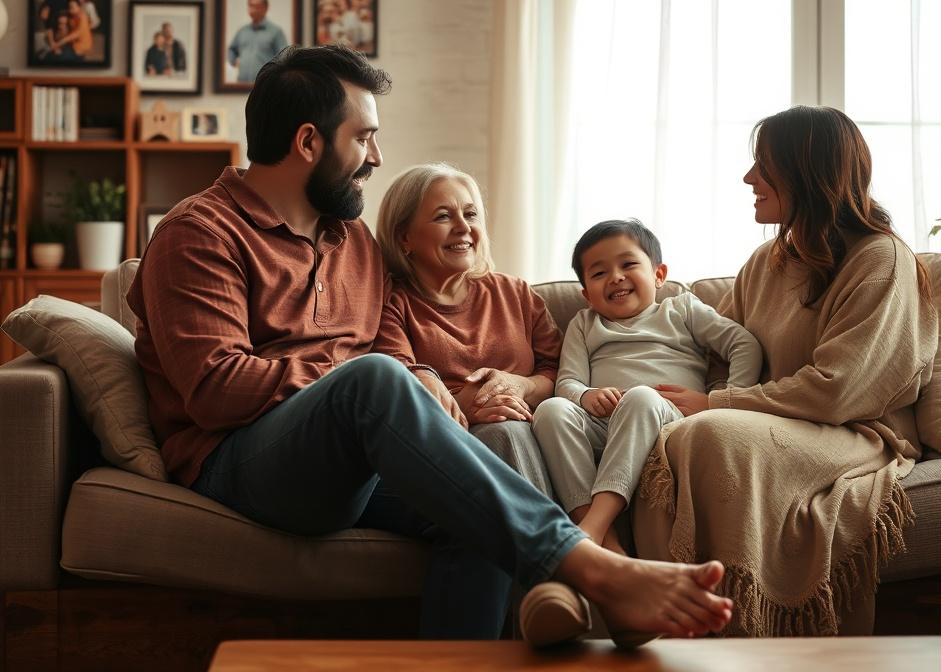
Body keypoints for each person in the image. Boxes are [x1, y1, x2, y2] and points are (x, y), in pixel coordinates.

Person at [126, 43, 733, 647]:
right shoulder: (199, 234)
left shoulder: (355, 243)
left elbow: (406, 339)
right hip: (240, 461)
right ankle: (595, 570)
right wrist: (370, 373)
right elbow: (214, 392)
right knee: (376, 379)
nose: (376, 157)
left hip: (351, 468)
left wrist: (432, 381)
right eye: (363, 138)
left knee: (474, 506)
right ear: (309, 142)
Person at [633, 105, 939, 637]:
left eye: (763, 165)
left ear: (808, 172)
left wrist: (716, 404)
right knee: (667, 431)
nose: (749, 178)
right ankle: (661, 620)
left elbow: (840, 390)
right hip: (780, 422)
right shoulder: (767, 261)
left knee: (710, 433)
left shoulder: (881, 260)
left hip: (853, 433)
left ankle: (734, 627)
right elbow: (716, 353)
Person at [532, 219, 761, 556]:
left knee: (640, 396)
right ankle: (602, 537)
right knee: (550, 410)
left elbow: (744, 345)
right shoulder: (584, 323)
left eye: (628, 264)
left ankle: (593, 526)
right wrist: (586, 395)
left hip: (667, 419)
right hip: (603, 426)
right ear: (586, 295)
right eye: (598, 273)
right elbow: (566, 382)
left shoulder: (681, 308)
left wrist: (722, 403)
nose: (615, 277)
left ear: (658, 274)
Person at [374, 162, 562, 499]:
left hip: (533, 435)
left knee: (510, 431)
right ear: (404, 237)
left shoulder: (515, 293)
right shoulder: (389, 305)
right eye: (443, 216)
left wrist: (522, 385)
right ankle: (559, 547)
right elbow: (400, 391)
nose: (463, 228)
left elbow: (562, 371)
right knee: (502, 434)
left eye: (471, 214)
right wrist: (465, 406)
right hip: (449, 452)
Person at [226, 0, 289, 83]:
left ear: (265, 8)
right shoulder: (242, 31)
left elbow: (284, 58)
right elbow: (232, 49)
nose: (252, 9)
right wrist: (233, 62)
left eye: (256, 6)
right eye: (250, 6)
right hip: (241, 84)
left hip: (265, 84)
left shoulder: (276, 31)